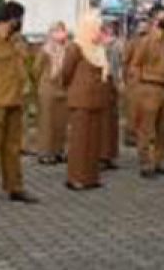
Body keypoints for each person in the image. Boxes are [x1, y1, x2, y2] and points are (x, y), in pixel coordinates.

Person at [0, 1, 39, 208]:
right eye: (19, 18)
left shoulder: (18, 41)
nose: (20, 23)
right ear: (10, 19)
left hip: (15, 100)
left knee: (12, 148)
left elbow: (24, 65)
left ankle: (15, 187)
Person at [60, 12, 109, 191]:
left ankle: (91, 177)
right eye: (96, 27)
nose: (99, 31)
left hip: (96, 100)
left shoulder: (98, 48)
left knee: (94, 141)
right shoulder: (76, 47)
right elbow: (66, 72)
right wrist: (71, 88)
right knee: (80, 141)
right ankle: (76, 178)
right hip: (80, 100)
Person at [130, 5, 164, 178]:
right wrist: (138, 91)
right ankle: (146, 163)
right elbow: (134, 65)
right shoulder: (145, 41)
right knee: (146, 129)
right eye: (163, 16)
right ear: (154, 19)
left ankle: (160, 161)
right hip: (149, 88)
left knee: (163, 129)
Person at [34, 22, 70, 165]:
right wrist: (44, 80)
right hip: (47, 89)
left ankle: (59, 151)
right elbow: (36, 69)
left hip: (63, 89)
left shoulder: (67, 49)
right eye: (57, 30)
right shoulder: (45, 50)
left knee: (61, 123)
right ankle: (45, 152)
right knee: (47, 122)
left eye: (62, 30)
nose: (60, 33)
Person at [121, 18, 149, 148]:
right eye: (141, 27)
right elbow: (125, 61)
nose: (144, 30)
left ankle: (143, 135)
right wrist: (126, 78)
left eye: (146, 27)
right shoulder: (132, 42)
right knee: (133, 110)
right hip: (134, 80)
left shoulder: (151, 42)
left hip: (147, 79)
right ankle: (130, 135)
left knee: (145, 110)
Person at [100, 21, 123, 170]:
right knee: (103, 124)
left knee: (111, 124)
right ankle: (103, 155)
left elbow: (120, 64)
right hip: (102, 86)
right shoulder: (98, 46)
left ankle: (109, 155)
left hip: (111, 84)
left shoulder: (116, 45)